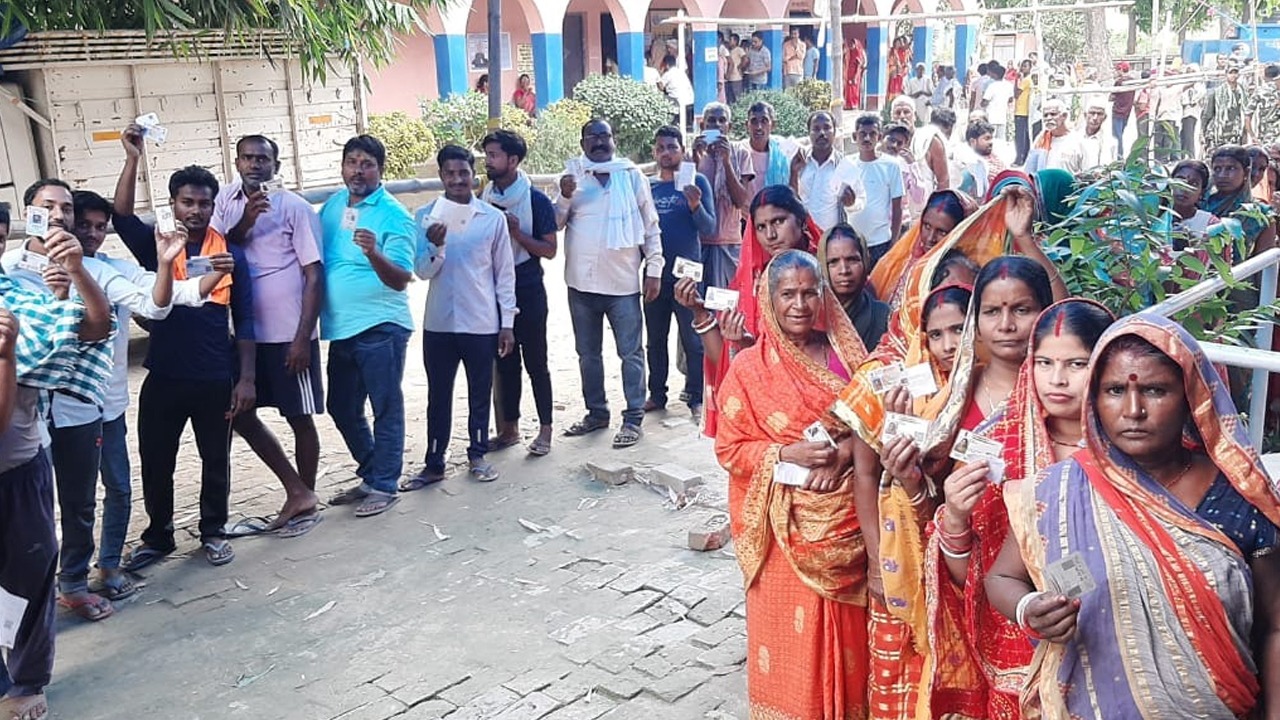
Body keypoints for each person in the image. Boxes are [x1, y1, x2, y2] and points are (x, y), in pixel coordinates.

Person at [987, 314, 1280, 719]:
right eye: (1114, 390)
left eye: (1155, 390)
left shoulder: (1239, 493)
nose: (1133, 410)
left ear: (1192, 396)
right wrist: (1028, 608)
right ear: (1094, 398)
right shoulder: (1059, 492)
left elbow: (1275, 625)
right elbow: (1001, 578)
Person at [920, 299, 1113, 718]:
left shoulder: (1134, 446)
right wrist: (955, 516)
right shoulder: (997, 444)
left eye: (1076, 364)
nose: (1057, 379)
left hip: (1116, 649)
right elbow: (972, 578)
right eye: (1044, 363)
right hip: (1017, 655)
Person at [714, 250, 871, 720]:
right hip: (782, 534)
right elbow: (729, 449)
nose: (799, 305)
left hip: (847, 523)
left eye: (808, 292)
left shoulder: (848, 354)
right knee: (791, 645)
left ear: (823, 296)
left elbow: (877, 420)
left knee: (848, 641)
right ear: (769, 298)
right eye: (788, 294)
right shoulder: (748, 369)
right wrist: (786, 454)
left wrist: (846, 451)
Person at [0, 229, 113, 720]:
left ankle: (26, 680)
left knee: (28, 576)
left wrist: (77, 272)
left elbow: (95, 325)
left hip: (19, 467)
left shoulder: (18, 299)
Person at [210, 134, 326, 534]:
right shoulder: (223, 201)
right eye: (247, 158)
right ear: (237, 162)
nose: (255, 164)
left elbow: (314, 274)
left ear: (276, 164)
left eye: (262, 158)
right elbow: (217, 251)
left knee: (299, 417)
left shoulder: (295, 207)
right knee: (239, 414)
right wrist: (247, 220)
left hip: (288, 333)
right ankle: (297, 491)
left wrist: (302, 338)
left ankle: (306, 499)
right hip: (244, 334)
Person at [675, 185, 822, 438]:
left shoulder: (829, 271)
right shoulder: (750, 284)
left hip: (819, 405)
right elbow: (726, 361)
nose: (771, 235)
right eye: (761, 227)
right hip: (765, 409)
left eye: (779, 221)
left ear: (800, 220)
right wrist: (699, 312)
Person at [320, 135, 416, 518]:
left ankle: (385, 485)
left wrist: (373, 252)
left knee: (385, 407)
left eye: (367, 164)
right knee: (341, 406)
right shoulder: (333, 205)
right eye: (352, 162)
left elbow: (401, 279)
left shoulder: (394, 215)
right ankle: (373, 473)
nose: (358, 171)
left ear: (380, 169)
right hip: (341, 328)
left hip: (381, 325)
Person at [408, 144, 516, 487]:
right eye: (450, 173)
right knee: (438, 394)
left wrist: (507, 324)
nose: (457, 180)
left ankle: (478, 454)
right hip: (439, 322)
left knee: (479, 392)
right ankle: (434, 462)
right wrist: (435, 246)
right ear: (441, 176)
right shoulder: (426, 216)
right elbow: (422, 271)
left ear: (474, 175)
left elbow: (504, 275)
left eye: (463, 173)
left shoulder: (492, 218)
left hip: (480, 320)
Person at [557, 119, 663, 449]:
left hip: (623, 283)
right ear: (582, 143)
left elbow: (650, 225)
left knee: (630, 353)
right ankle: (597, 413)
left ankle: (633, 417)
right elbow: (556, 223)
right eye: (593, 137)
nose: (600, 142)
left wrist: (655, 269)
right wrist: (564, 197)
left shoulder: (630, 175)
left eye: (605, 136)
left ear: (614, 140)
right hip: (581, 283)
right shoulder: (572, 175)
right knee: (587, 354)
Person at [480, 130, 558, 458]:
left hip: (527, 287)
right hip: (493, 289)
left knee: (536, 361)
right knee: (504, 361)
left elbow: (550, 250)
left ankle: (545, 429)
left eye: (494, 155)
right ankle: (509, 430)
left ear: (513, 160)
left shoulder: (535, 200)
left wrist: (517, 234)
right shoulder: (484, 196)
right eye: (486, 155)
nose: (487, 161)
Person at [645, 126, 715, 419]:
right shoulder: (648, 187)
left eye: (672, 147)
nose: (666, 153)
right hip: (655, 274)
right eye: (661, 148)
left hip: (688, 275)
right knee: (655, 339)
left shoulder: (696, 182)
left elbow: (709, 227)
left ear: (682, 151)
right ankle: (656, 394)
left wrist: (695, 205)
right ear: (654, 152)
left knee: (693, 339)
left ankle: (696, 397)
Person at [868, 189, 977, 306]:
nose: (930, 238)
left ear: (958, 233)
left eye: (942, 232)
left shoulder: (962, 275)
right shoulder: (902, 261)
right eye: (927, 226)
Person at [693, 103, 751, 288]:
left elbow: (740, 201)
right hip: (698, 242)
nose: (717, 125)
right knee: (698, 299)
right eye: (711, 120)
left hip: (729, 242)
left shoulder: (740, 154)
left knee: (726, 299)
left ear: (729, 127)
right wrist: (695, 159)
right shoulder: (691, 155)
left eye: (722, 120)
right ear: (703, 125)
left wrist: (726, 161)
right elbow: (685, 196)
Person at [846, 114, 905, 269]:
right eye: (862, 134)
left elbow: (897, 207)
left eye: (872, 134)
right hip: (853, 242)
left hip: (881, 241)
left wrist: (894, 243)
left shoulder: (891, 165)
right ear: (854, 136)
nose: (867, 138)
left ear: (879, 137)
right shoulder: (847, 164)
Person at [819, 223, 889, 350]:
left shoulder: (883, 316)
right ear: (823, 265)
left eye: (852, 260)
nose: (844, 270)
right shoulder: (813, 317)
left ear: (865, 261)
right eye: (833, 262)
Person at [1203, 144, 1278, 261]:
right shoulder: (1199, 204)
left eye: (1231, 168)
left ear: (1246, 172)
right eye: (1217, 169)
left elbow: (1264, 264)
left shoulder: (1262, 215)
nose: (1222, 175)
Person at [791, 110, 858, 232]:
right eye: (816, 129)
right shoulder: (799, 160)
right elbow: (791, 197)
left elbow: (859, 202)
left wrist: (851, 204)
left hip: (832, 237)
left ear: (835, 132)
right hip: (803, 234)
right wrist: (793, 173)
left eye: (827, 128)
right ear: (809, 133)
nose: (822, 133)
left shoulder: (845, 165)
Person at [737, 101, 799, 206]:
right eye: (754, 121)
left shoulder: (782, 151)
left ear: (773, 125)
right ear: (747, 125)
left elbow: (791, 194)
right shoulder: (739, 152)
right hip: (745, 214)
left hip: (776, 213)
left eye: (764, 121)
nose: (759, 127)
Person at [1025, 98, 1084, 176]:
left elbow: (1086, 172)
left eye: (1053, 114)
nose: (1048, 118)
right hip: (1043, 183)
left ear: (1064, 116)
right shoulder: (1040, 140)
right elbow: (1030, 170)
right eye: (1045, 115)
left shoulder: (1077, 141)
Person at [955, 121, 1004, 200]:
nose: (991, 142)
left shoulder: (996, 159)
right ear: (973, 141)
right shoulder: (965, 164)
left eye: (991, 138)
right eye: (986, 138)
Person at [1204, 65, 1247, 150]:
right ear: (1226, 74)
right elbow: (1208, 114)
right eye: (1231, 73)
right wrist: (1203, 131)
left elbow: (1246, 111)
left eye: (1235, 73)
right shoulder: (1217, 93)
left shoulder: (1242, 92)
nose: (1233, 75)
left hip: (1236, 131)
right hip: (1220, 131)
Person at [1076, 95, 1118, 171]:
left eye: (1099, 114)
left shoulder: (1110, 142)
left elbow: (1113, 169)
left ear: (1105, 117)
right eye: (1092, 113)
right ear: (1085, 115)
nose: (1095, 118)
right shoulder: (1074, 139)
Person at [1152, 68, 1184, 162]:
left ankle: (1165, 158)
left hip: (1171, 116)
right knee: (1158, 139)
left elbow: (1188, 84)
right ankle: (1157, 159)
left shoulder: (1177, 88)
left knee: (1168, 140)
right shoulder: (1161, 89)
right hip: (1160, 117)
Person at [981, 63, 1015, 147]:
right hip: (1002, 117)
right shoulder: (1009, 85)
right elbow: (1011, 99)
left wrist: (982, 104)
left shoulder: (991, 86)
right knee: (1000, 141)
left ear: (995, 74)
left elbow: (984, 102)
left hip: (991, 116)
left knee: (990, 139)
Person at [658, 53, 694, 128]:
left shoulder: (668, 74)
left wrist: (660, 73)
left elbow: (660, 87)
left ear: (666, 65)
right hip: (690, 101)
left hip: (677, 101)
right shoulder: (681, 72)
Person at [1111, 61, 1137, 156]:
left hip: (1118, 111)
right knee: (1120, 134)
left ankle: (1119, 155)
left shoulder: (1119, 82)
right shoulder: (1133, 81)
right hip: (1127, 112)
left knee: (1117, 136)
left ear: (1121, 69)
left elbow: (1112, 96)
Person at [1181, 64, 1206, 157]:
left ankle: (1192, 155)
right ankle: (1183, 155)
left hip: (1192, 112)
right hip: (1182, 112)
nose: (1191, 73)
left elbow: (1200, 95)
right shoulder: (1183, 82)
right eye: (1189, 71)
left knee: (1190, 135)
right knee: (1184, 135)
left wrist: (1193, 100)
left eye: (1193, 71)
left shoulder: (1199, 85)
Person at [1014, 59, 1035, 166]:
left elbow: (1016, 94)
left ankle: (1020, 158)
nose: (1022, 68)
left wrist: (1016, 80)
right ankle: (1024, 157)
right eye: (1022, 66)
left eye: (1025, 66)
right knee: (1025, 137)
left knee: (1020, 137)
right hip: (1024, 111)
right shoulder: (1027, 80)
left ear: (1030, 68)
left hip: (1021, 111)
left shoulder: (1025, 81)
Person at [845, 37, 867, 109]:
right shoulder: (850, 52)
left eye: (853, 44)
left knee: (854, 89)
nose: (851, 46)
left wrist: (855, 76)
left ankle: (854, 104)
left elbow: (858, 65)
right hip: (849, 73)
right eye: (851, 44)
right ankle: (848, 104)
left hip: (855, 73)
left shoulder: (857, 52)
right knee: (848, 89)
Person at [726, 33, 746, 105]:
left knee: (738, 97)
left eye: (730, 40)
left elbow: (746, 59)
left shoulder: (739, 50)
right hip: (730, 78)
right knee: (731, 98)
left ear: (735, 41)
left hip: (736, 78)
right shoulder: (729, 50)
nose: (729, 41)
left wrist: (740, 67)